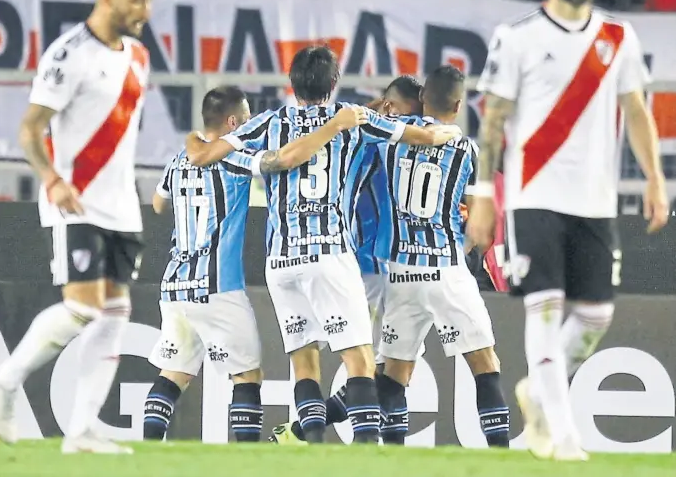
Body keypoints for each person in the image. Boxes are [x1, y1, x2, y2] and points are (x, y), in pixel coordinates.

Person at [184, 46, 459, 444]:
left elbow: (205, 155)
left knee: (304, 361)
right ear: (334, 83)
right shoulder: (354, 120)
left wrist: (192, 138)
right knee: (359, 361)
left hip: (280, 260)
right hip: (329, 252)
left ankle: (310, 450)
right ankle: (366, 458)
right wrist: (450, 131)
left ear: (290, 83)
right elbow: (426, 135)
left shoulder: (267, 122)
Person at [468, 0, 669, 461]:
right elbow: (492, 122)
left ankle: (537, 389)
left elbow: (637, 110)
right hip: (535, 196)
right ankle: (562, 435)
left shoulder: (617, 37)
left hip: (596, 200)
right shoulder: (517, 39)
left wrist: (654, 178)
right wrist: (486, 192)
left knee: (597, 317)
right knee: (546, 309)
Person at [0, 0, 161, 454]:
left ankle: (80, 431)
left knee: (116, 312)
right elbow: (30, 129)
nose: (145, 8)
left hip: (122, 205)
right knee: (82, 308)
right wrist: (51, 179)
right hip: (75, 200)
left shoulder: (139, 57)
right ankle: (5, 381)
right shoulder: (67, 54)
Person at [143, 85, 365, 442]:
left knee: (175, 372)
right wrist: (332, 127)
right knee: (247, 377)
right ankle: (247, 457)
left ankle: (149, 452)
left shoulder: (178, 161)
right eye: (246, 120)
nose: (250, 126)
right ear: (233, 122)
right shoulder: (235, 157)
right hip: (216, 287)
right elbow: (278, 162)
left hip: (175, 285)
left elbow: (157, 203)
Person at [269, 74, 427, 444]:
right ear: (388, 109)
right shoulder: (364, 140)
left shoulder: (403, 142)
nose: (416, 125)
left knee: (395, 374)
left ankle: (302, 434)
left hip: (407, 268)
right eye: (410, 115)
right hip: (370, 267)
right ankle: (323, 439)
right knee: (374, 369)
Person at [371, 65, 509, 447]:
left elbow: (363, 125)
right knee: (486, 366)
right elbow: (481, 219)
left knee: (394, 375)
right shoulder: (466, 150)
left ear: (423, 100)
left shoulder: (392, 140)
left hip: (400, 272)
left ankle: (391, 461)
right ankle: (502, 459)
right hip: (446, 268)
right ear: (459, 104)